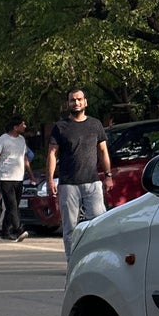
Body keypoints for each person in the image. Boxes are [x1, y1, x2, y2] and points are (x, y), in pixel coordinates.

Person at [47, 88, 112, 261]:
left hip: (92, 183)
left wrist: (108, 175)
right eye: (72, 100)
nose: (76, 103)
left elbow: (103, 151)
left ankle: (98, 259)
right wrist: (50, 180)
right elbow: (52, 154)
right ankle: (73, 261)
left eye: (79, 99)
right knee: (70, 227)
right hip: (68, 184)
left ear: (85, 102)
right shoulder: (60, 127)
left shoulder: (95, 124)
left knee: (98, 223)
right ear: (68, 103)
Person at [0, 118, 31, 241]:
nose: (25, 126)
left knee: (13, 205)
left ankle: (5, 231)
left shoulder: (22, 140)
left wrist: (31, 175)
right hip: (6, 178)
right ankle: (19, 229)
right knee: (12, 206)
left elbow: (24, 158)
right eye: (23, 124)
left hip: (19, 177)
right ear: (15, 127)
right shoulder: (3, 140)